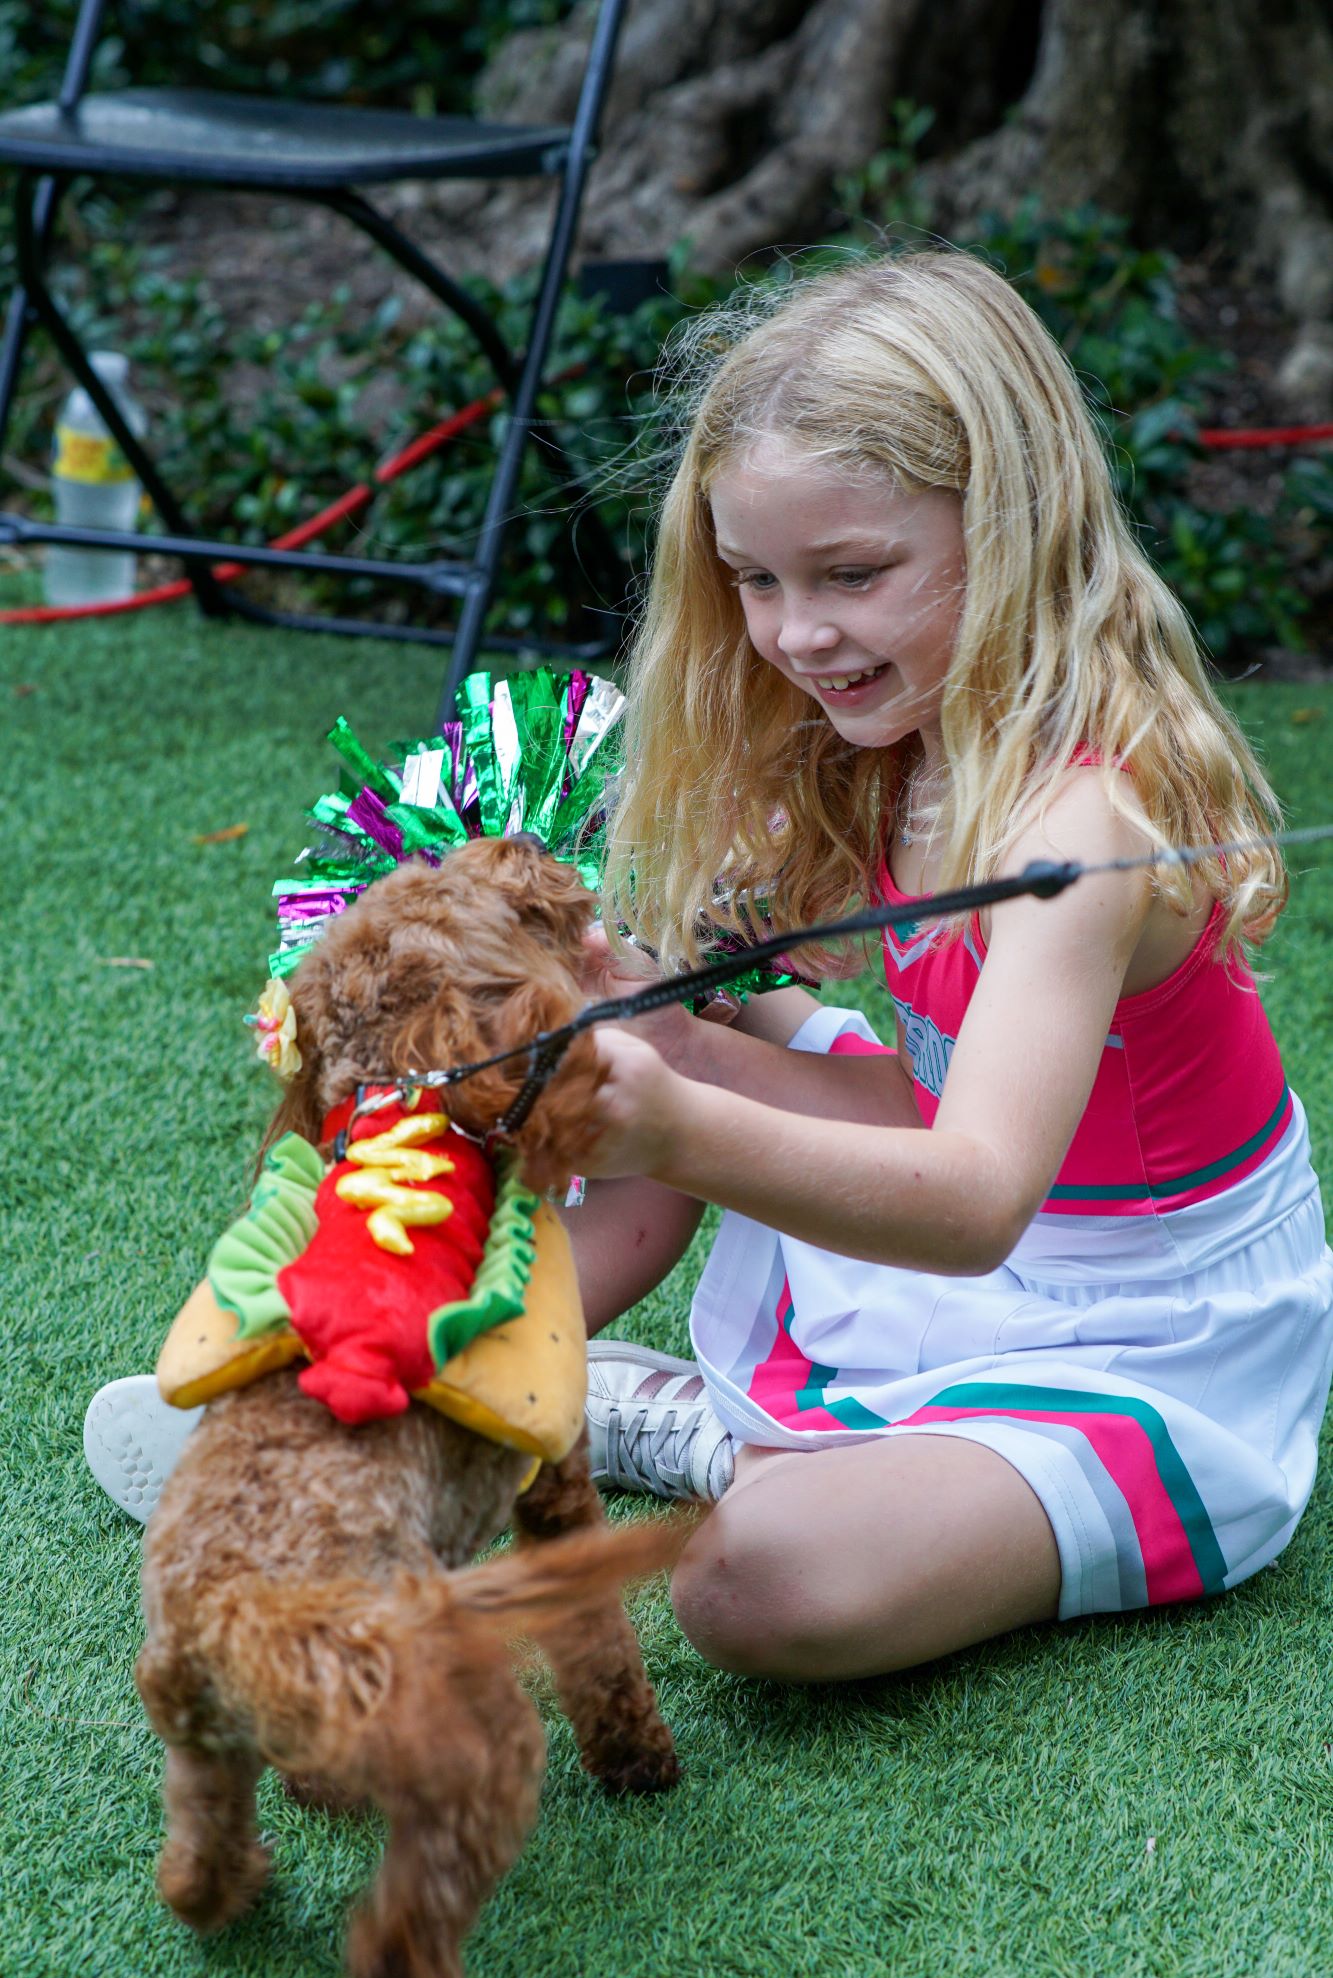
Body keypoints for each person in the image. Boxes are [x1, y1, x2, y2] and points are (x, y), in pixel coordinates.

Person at [86, 250, 1332, 1689]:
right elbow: (917, 1078)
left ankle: (645, 1421)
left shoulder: (1078, 814)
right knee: (644, 1044)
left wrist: (673, 1116)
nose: (798, 633)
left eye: (852, 575)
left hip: (1143, 1334)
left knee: (754, 1579)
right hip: (952, 1173)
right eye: (754, 578)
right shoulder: (886, 737)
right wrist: (679, 1007)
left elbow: (984, 1196)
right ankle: (381, 1383)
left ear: (1013, 528)